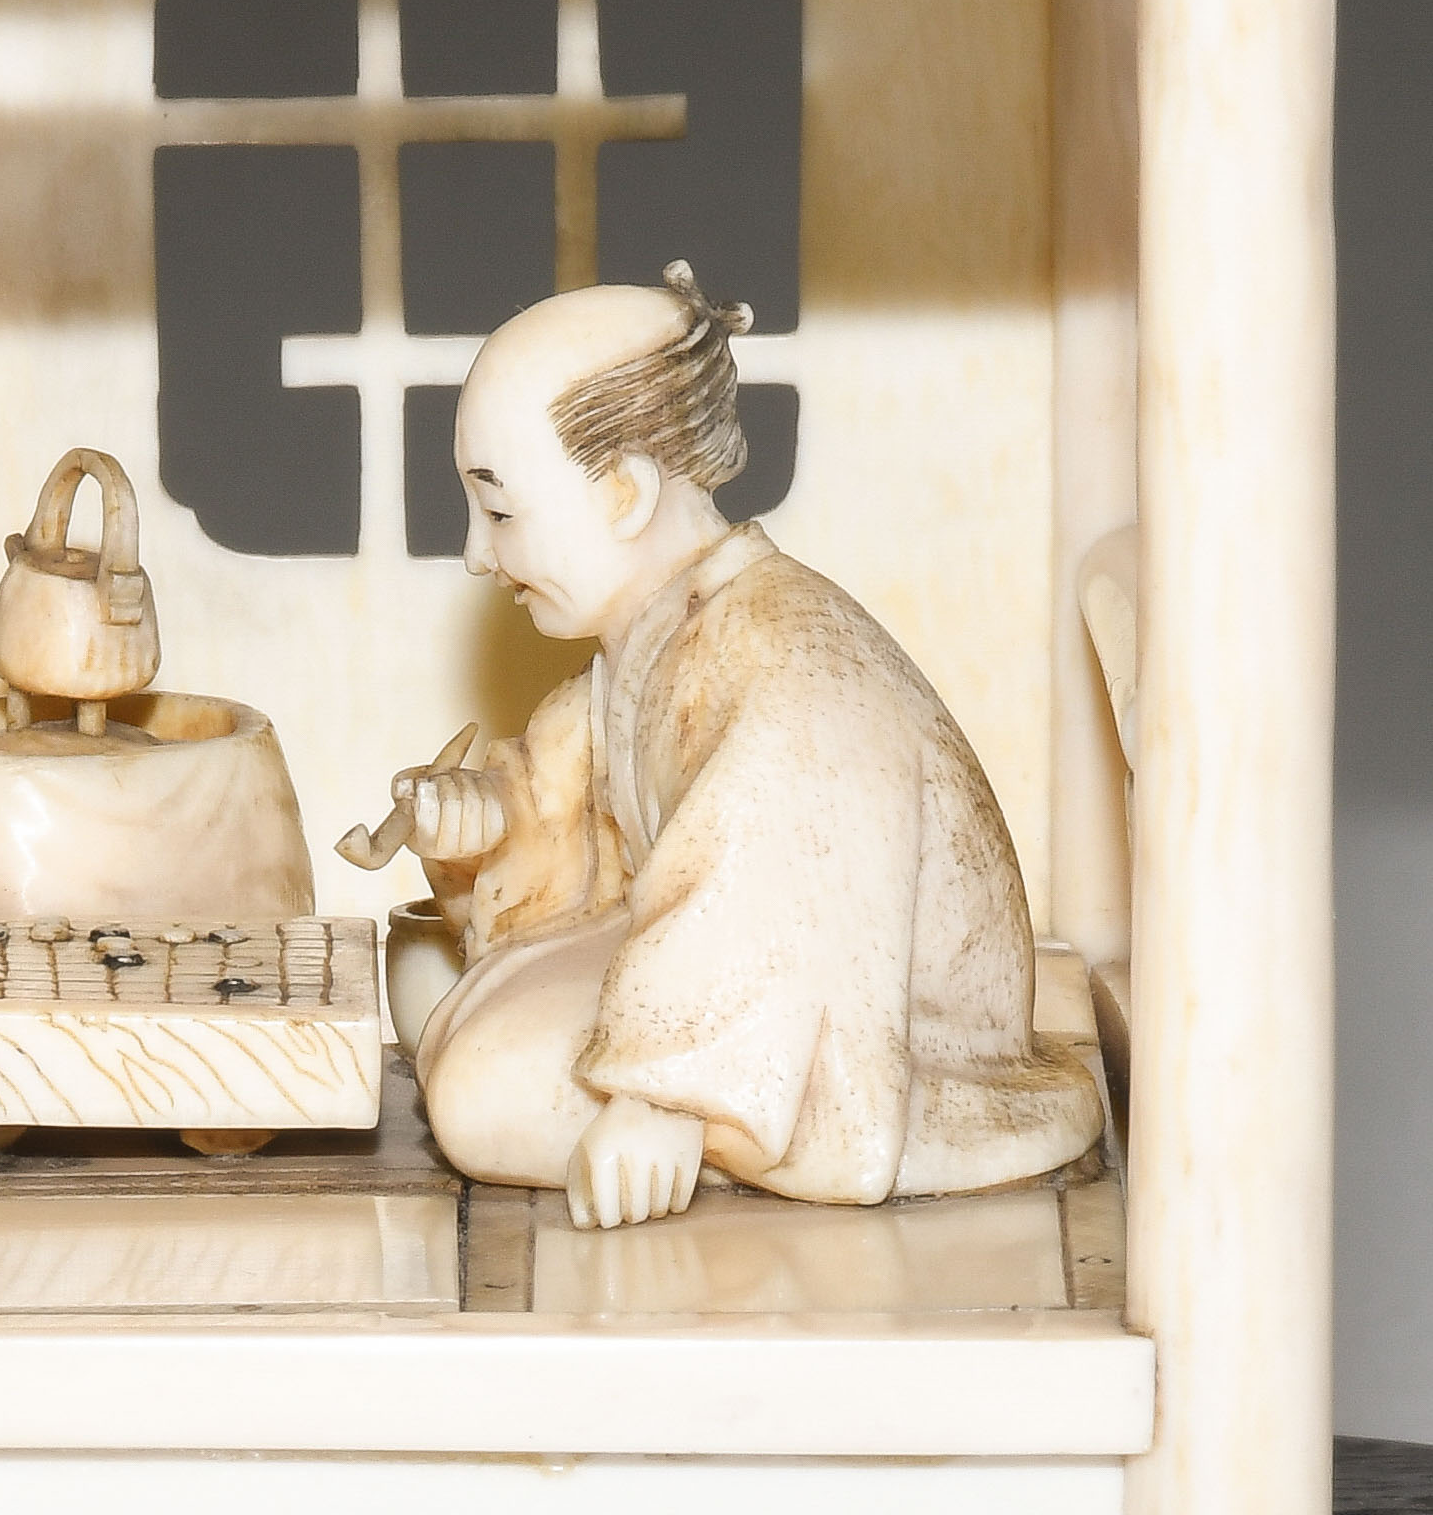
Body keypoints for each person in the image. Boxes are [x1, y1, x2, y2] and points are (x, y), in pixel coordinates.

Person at [394, 267, 1099, 1229]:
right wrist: (493, 824)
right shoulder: (660, 637)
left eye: (502, 513)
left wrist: (669, 1098)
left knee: (479, 1092)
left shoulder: (785, 661)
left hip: (902, 1038)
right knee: (446, 1009)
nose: (479, 554)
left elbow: (778, 896)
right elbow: (575, 807)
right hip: (722, 973)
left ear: (624, 492)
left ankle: (723, 1127)